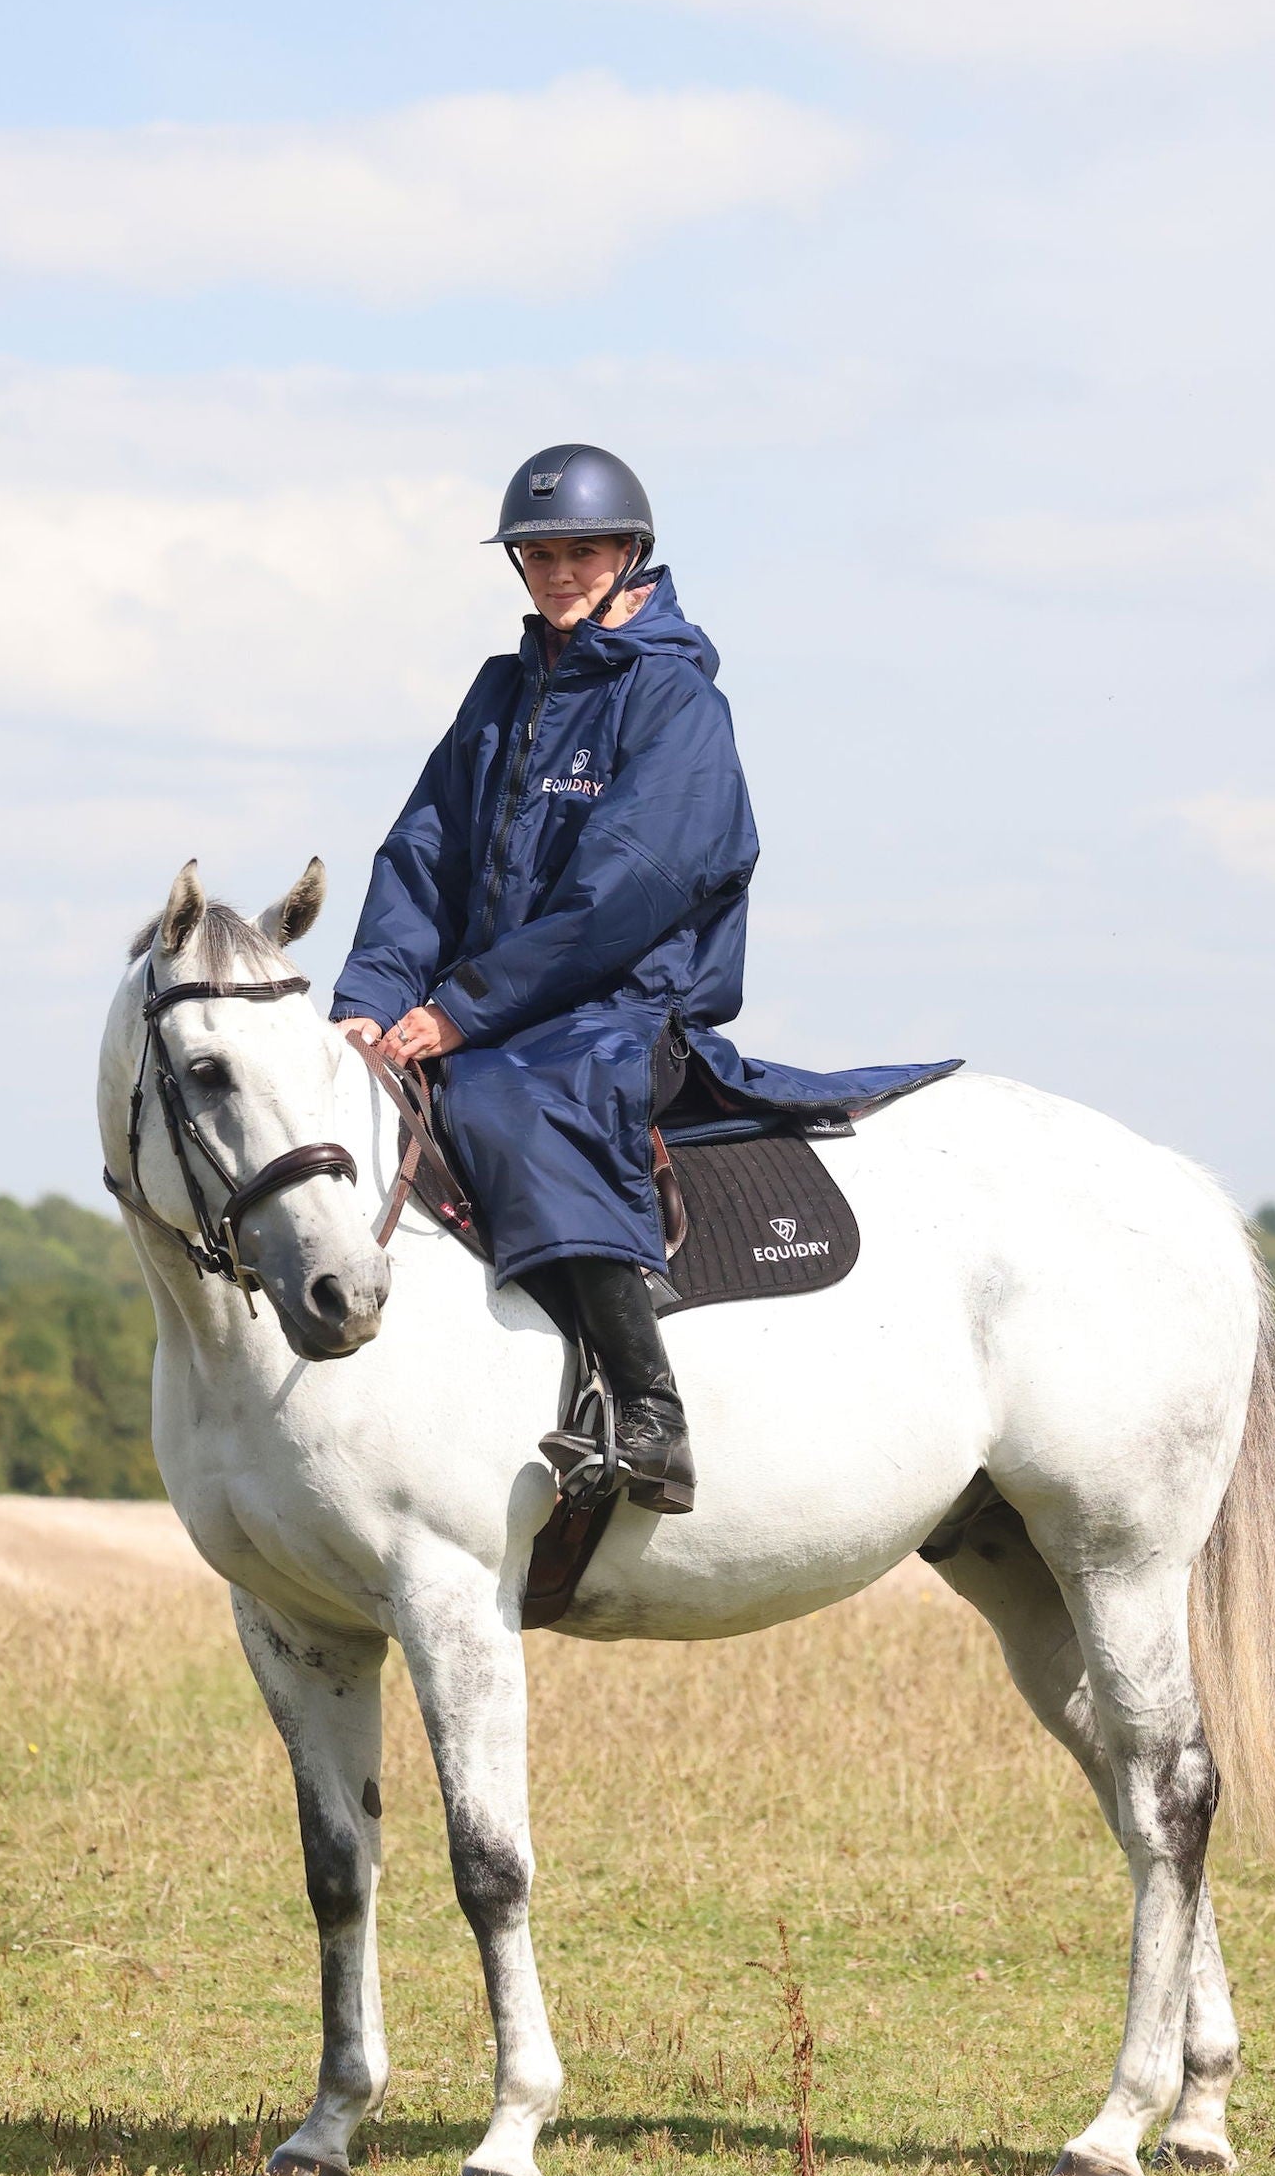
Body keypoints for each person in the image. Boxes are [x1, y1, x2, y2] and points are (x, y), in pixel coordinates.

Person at [333, 444, 952, 1513]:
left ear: (631, 557)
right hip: (486, 1011)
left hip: (617, 1012)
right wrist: (369, 1001)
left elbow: (621, 894)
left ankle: (648, 1412)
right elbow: (421, 855)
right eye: (537, 554)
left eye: (581, 551)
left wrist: (457, 1010)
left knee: (518, 1101)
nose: (557, 571)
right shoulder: (497, 693)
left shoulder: (676, 706)